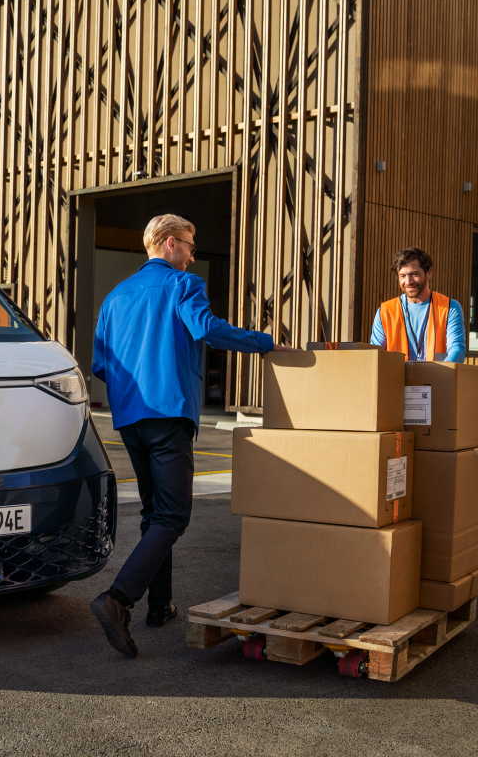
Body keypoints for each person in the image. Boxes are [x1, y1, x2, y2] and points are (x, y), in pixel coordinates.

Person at [89, 213, 292, 658]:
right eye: (189, 244)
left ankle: (159, 607)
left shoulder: (114, 297)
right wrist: (264, 342)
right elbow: (207, 328)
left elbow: (101, 365)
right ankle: (118, 600)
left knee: (154, 514)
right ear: (168, 245)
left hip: (129, 419)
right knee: (172, 517)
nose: (193, 254)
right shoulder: (184, 285)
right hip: (169, 413)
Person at [370, 247, 467, 362]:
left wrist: (442, 376)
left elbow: (457, 349)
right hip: (396, 378)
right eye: (402, 276)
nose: (408, 281)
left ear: (429, 273)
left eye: (414, 274)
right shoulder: (385, 311)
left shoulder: (450, 308)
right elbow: (375, 354)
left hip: (436, 378)